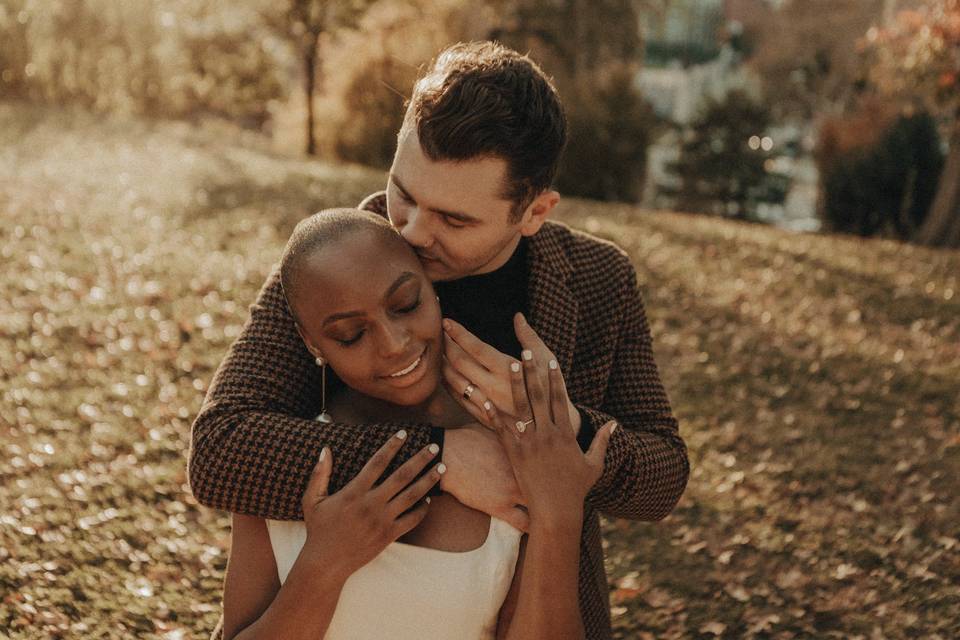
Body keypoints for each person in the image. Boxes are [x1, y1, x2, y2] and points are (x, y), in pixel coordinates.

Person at [190, 41, 689, 639]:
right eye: (405, 193)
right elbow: (220, 447)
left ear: (534, 211)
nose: (414, 232)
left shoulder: (596, 280)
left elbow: (663, 476)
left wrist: (559, 430)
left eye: (455, 220)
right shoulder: (343, 256)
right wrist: (440, 458)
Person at [220, 209, 613, 639]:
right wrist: (324, 564)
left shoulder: (509, 465)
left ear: (434, 290)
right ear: (311, 340)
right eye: (351, 333)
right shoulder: (274, 465)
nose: (394, 344)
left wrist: (559, 513)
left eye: (407, 304)